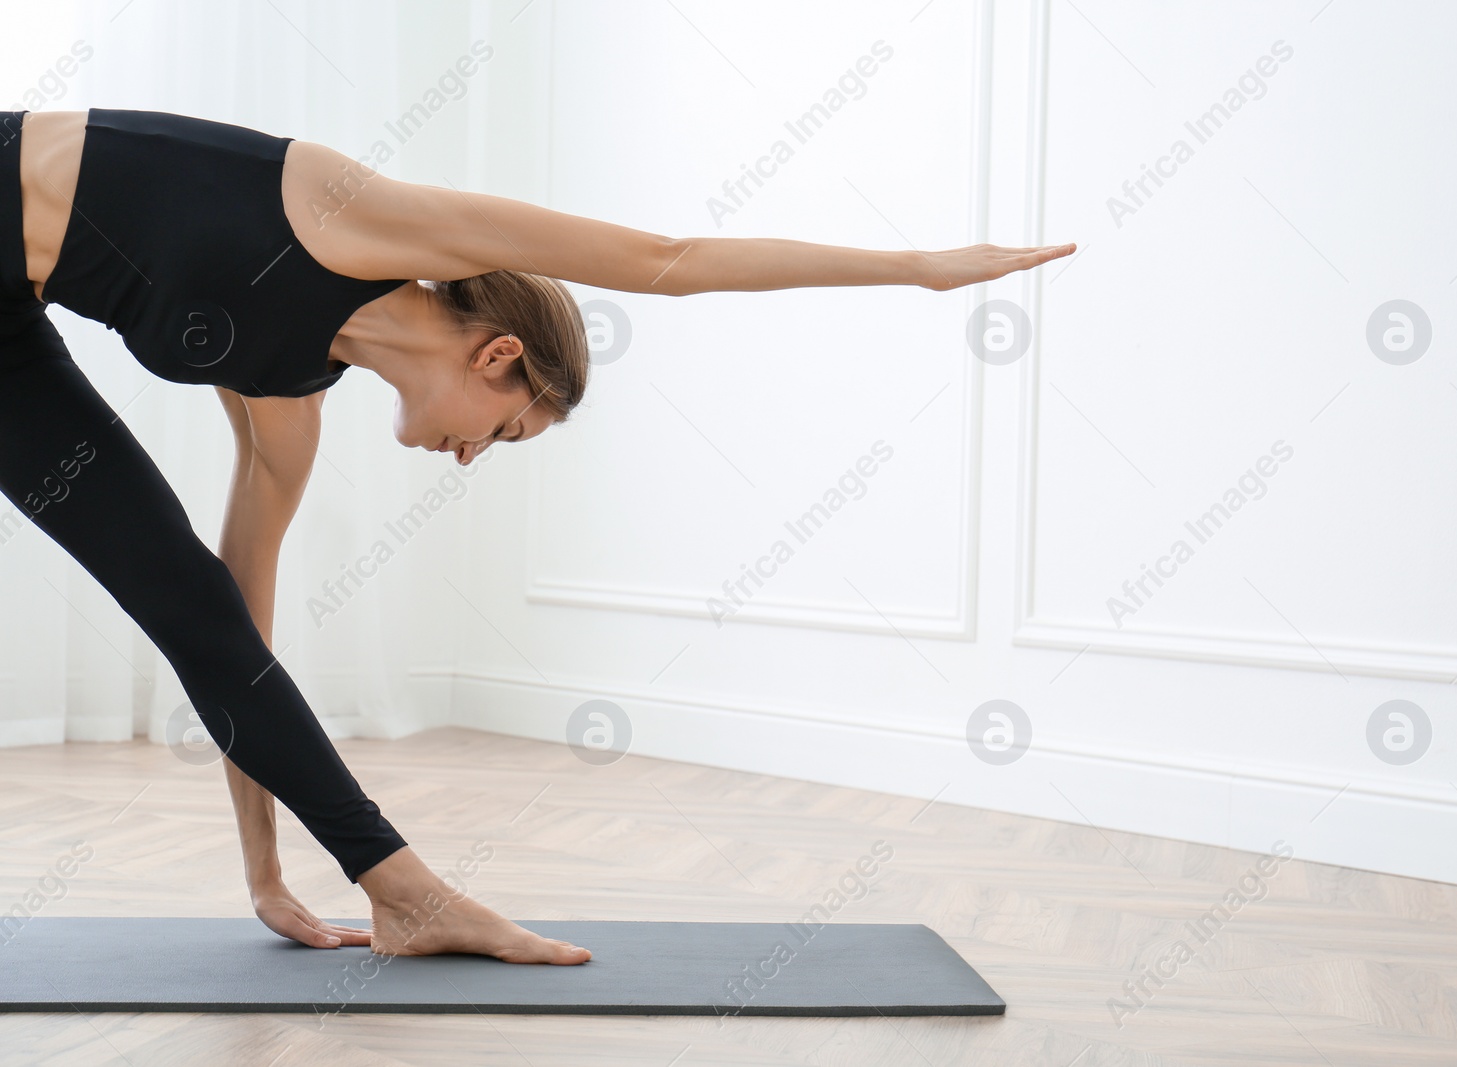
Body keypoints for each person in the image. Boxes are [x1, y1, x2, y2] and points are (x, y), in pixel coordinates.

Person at [2, 106, 1075, 964]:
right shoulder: (354, 219)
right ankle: (413, 891)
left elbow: (231, 643)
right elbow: (667, 256)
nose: (474, 457)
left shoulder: (288, 396)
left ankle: (403, 894)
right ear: (498, 355)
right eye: (507, 432)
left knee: (189, 601)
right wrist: (913, 268)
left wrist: (266, 873)